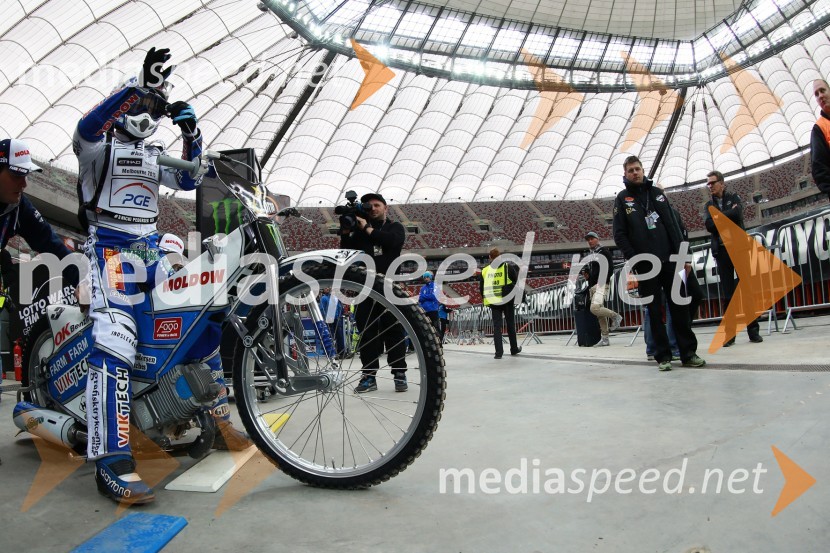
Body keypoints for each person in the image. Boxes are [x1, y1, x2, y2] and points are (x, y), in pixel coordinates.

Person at [75, 48, 246, 505]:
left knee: (199, 318)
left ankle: (217, 421)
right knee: (117, 343)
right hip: (110, 251)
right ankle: (111, 460)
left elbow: (190, 182)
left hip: (151, 249)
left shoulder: (154, 153)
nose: (149, 114)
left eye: (156, 108)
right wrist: (139, 89)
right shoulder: (97, 147)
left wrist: (191, 131)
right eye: (142, 107)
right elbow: (85, 127)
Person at [612, 155, 705, 371]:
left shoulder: (657, 194)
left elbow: (673, 226)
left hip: (670, 261)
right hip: (646, 265)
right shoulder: (622, 199)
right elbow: (619, 234)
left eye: (638, 169)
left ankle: (688, 353)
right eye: (630, 170)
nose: (635, 173)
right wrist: (635, 259)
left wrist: (683, 255)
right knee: (654, 312)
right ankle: (662, 356)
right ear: (625, 175)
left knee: (680, 308)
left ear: (643, 170)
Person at [339, 192, 408, 393]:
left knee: (394, 330)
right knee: (367, 332)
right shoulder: (359, 232)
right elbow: (346, 252)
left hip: (389, 285)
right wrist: (345, 231)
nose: (374, 208)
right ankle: (369, 375)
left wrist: (367, 228)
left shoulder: (395, 227)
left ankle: (399, 373)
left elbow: (392, 243)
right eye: (369, 206)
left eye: (377, 205)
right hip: (366, 287)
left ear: (386, 208)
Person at [704, 170, 763, 346]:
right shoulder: (708, 205)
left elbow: (737, 216)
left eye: (713, 183)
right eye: (708, 184)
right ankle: (730, 335)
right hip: (722, 252)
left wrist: (718, 218)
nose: (710, 186)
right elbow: (709, 225)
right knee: (728, 294)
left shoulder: (734, 197)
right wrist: (725, 216)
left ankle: (753, 332)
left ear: (722, 183)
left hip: (739, 249)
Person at [479, 247, 522, 359]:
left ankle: (498, 353)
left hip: (494, 302)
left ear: (490, 257)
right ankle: (514, 349)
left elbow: (481, 288)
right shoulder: (508, 267)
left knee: (497, 327)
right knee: (510, 325)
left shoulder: (485, 271)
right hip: (507, 300)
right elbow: (515, 281)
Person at [583, 231, 623, 346]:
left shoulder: (604, 252)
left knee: (594, 308)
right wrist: (588, 275)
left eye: (592, 239)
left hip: (600, 285)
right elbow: (595, 272)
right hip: (592, 286)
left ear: (597, 239)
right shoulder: (592, 255)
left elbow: (609, 269)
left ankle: (616, 316)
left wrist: (601, 282)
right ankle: (605, 338)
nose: (590, 241)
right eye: (588, 239)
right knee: (599, 313)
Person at [810, 79, 830, 201]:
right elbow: (819, 168)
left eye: (822, 90)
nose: (820, 96)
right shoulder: (819, 129)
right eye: (816, 94)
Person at [319, 287, 345, 356]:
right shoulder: (324, 298)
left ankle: (340, 352)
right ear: (323, 290)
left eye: (328, 288)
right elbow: (322, 309)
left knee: (338, 336)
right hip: (329, 319)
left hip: (335, 318)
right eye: (326, 288)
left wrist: (340, 314)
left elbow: (339, 307)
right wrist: (324, 318)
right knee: (332, 336)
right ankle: (332, 352)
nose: (327, 289)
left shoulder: (335, 298)